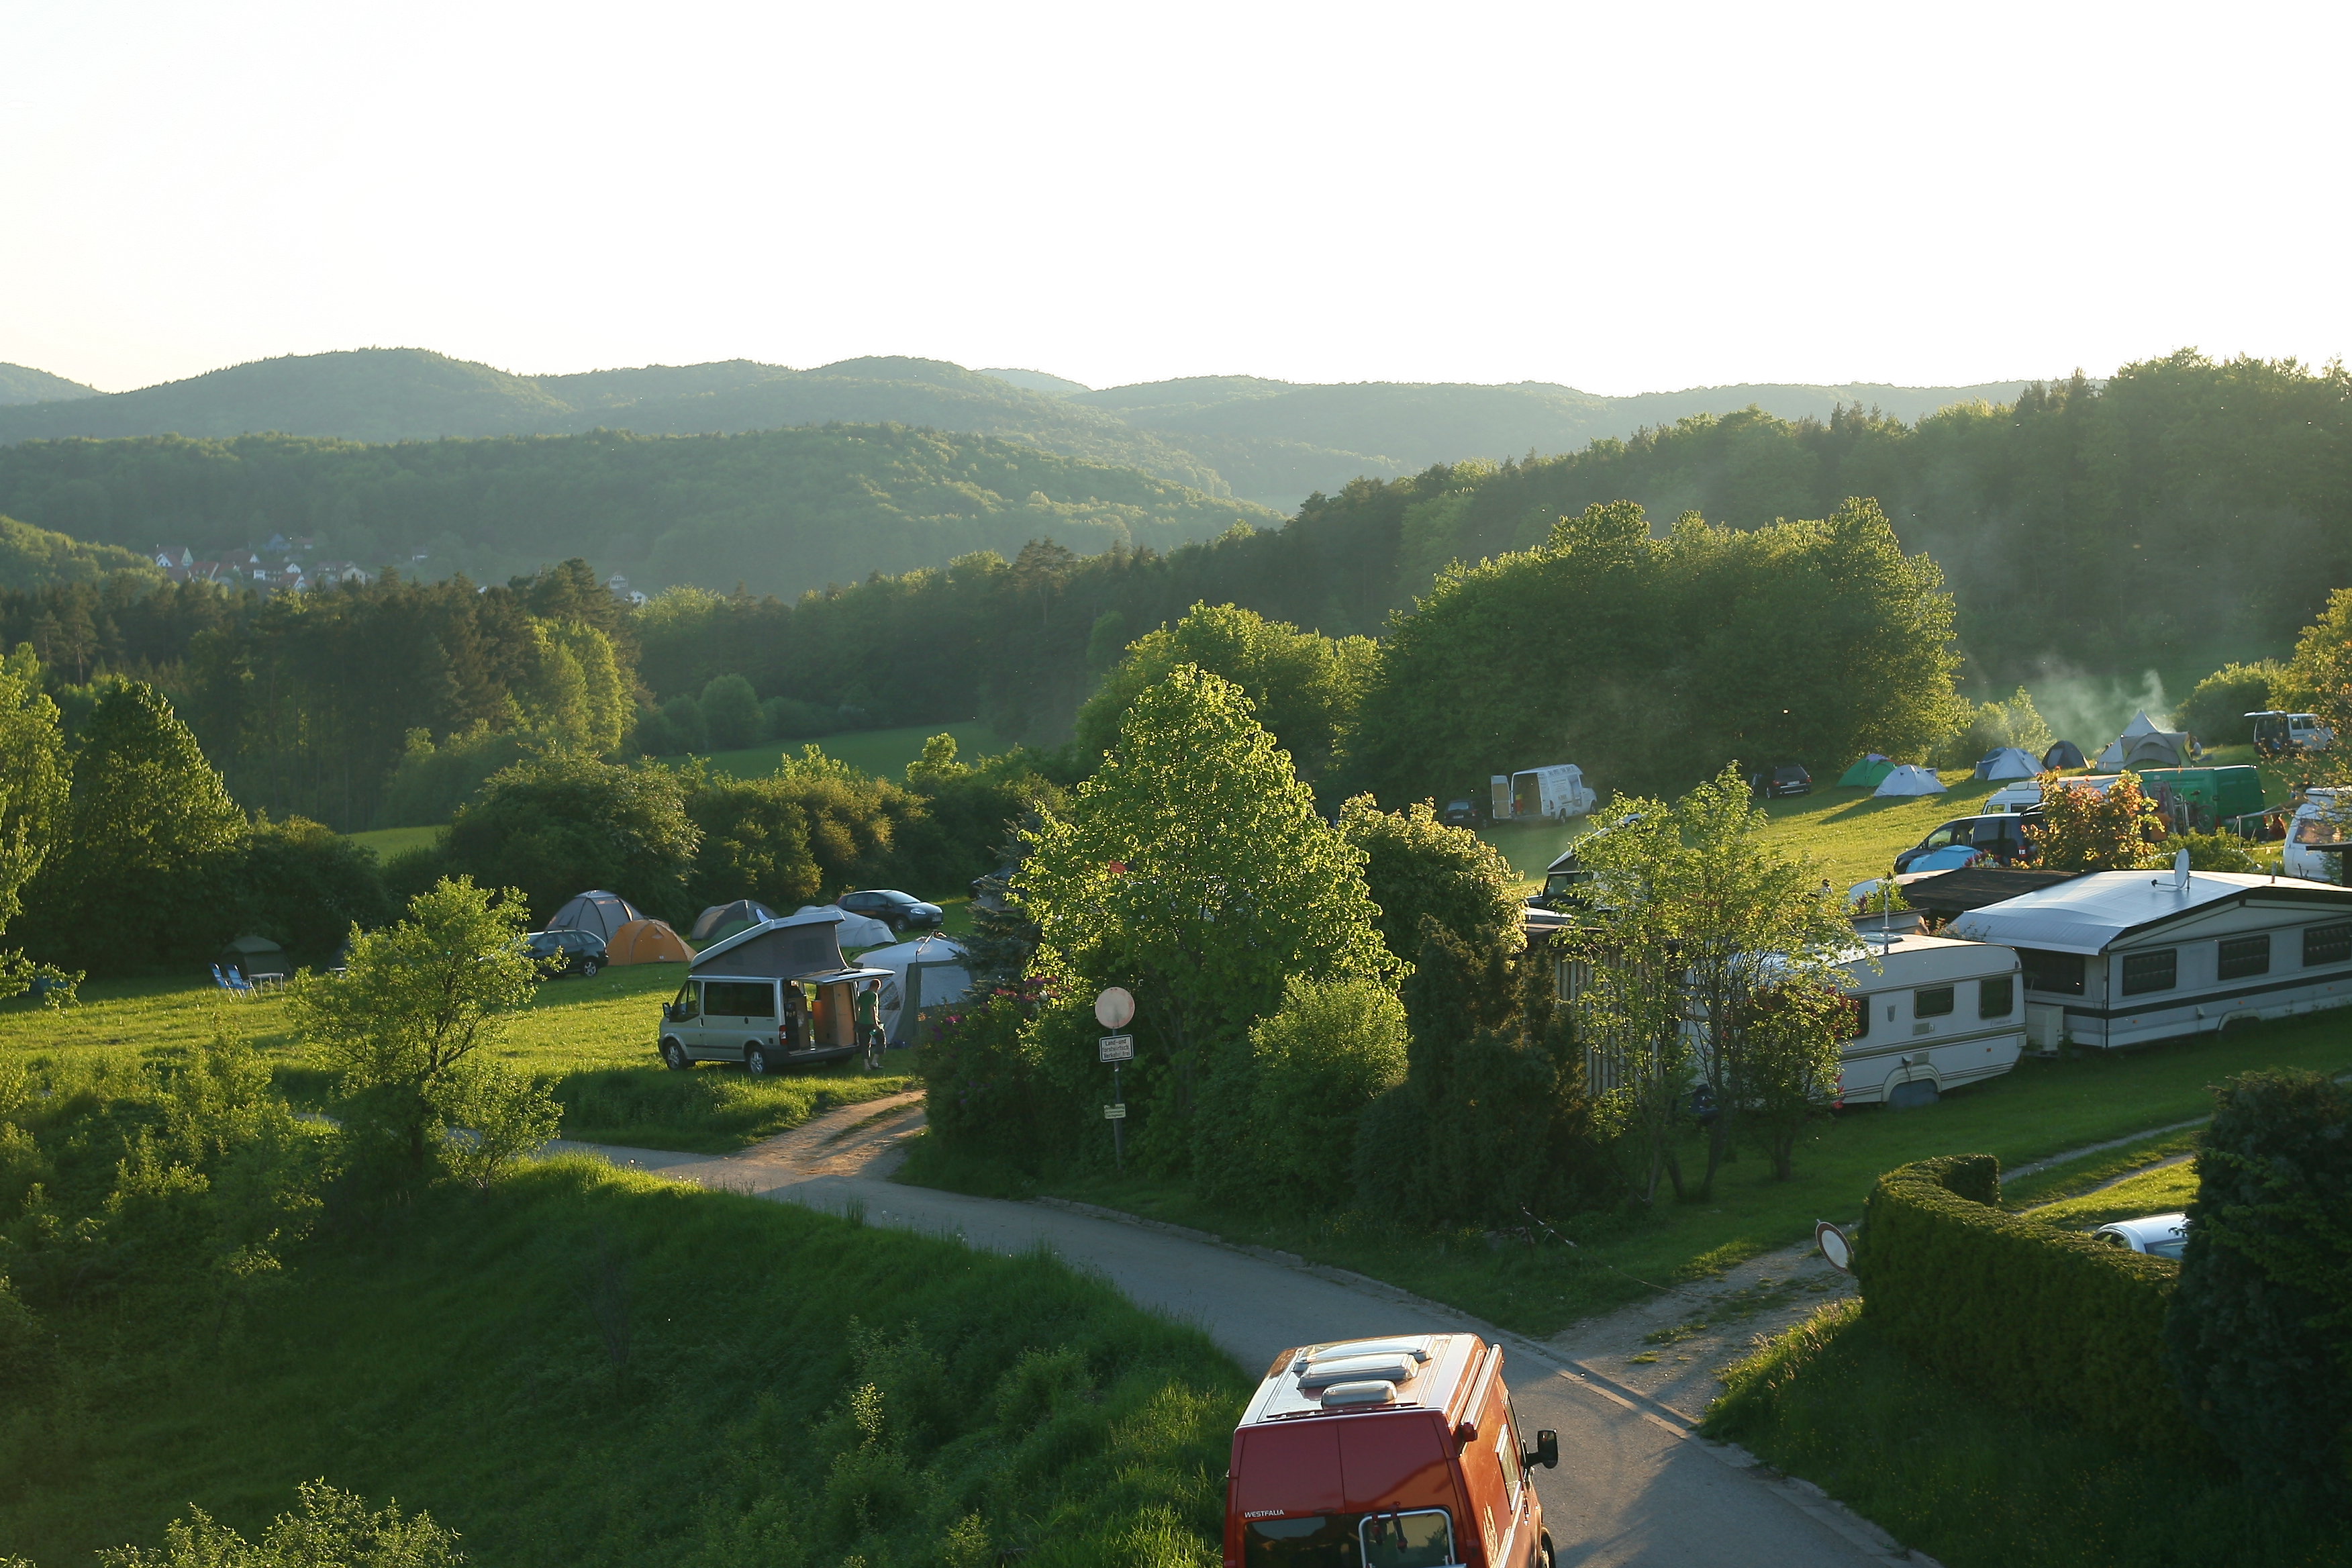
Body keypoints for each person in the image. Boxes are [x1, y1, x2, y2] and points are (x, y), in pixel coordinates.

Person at [856, 977, 883, 1069]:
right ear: (878, 987)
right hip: (871, 1023)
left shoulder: (862, 994)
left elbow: (857, 1007)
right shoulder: (874, 995)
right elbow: (872, 1009)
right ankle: (874, 1062)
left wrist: (858, 1019)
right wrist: (876, 1024)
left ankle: (866, 1065)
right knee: (881, 1040)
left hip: (862, 1022)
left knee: (865, 1044)